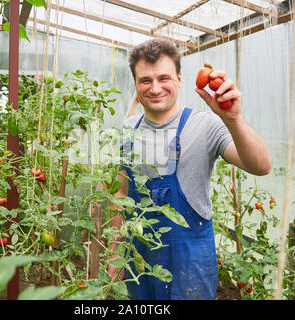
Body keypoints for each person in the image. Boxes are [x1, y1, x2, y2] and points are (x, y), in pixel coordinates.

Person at [107, 39, 271, 300]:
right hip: (139, 259)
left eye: (164, 78)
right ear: (135, 84)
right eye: (145, 80)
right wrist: (115, 251)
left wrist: (233, 119)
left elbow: (261, 166)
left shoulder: (206, 125)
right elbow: (121, 191)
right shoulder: (128, 128)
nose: (155, 88)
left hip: (189, 263)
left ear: (180, 79)